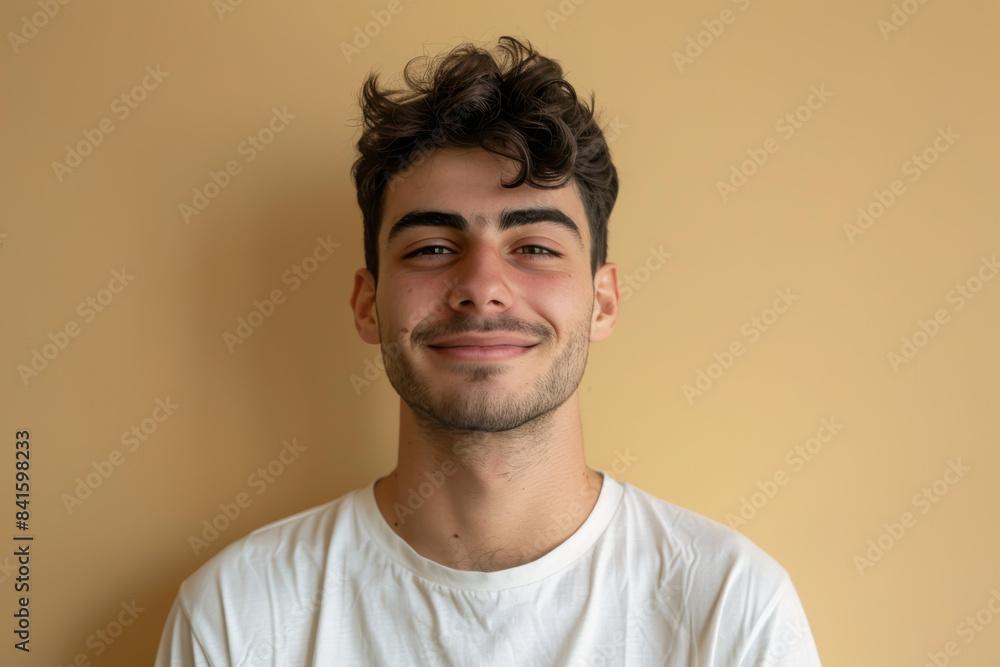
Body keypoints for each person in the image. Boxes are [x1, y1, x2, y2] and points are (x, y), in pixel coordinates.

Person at [155, 35, 823, 666]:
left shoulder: (730, 610)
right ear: (367, 302)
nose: (481, 287)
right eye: (432, 248)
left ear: (604, 301)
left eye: (533, 246)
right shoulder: (237, 614)